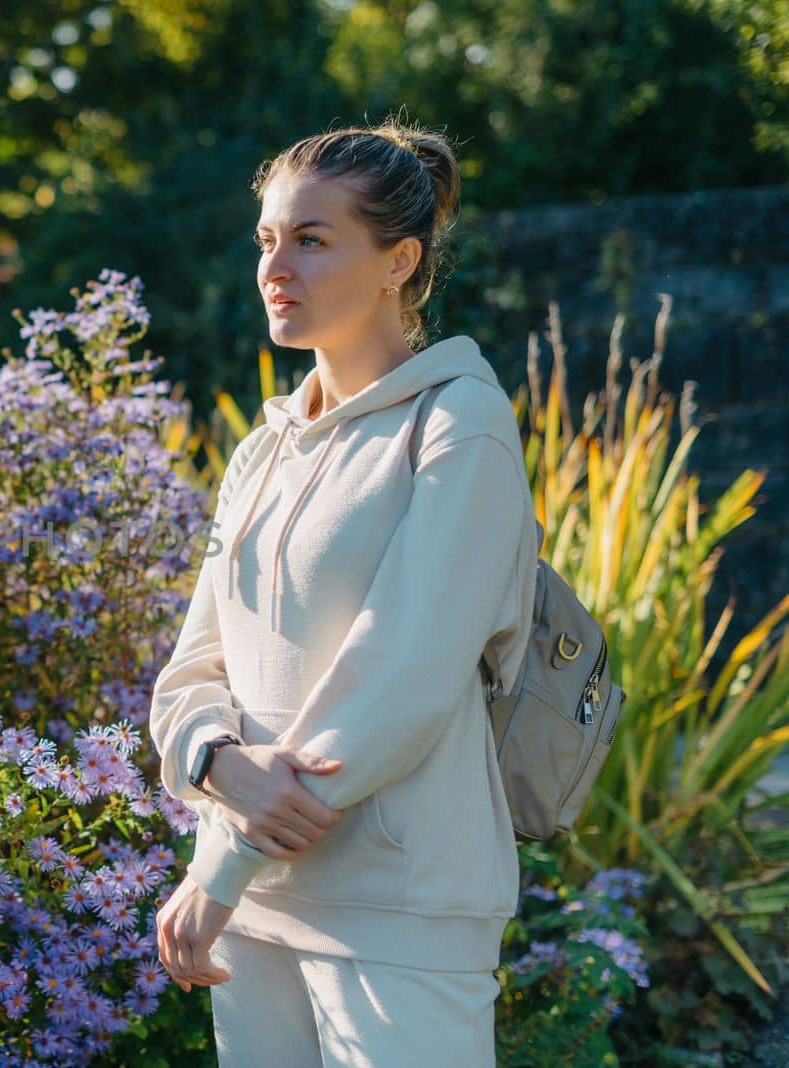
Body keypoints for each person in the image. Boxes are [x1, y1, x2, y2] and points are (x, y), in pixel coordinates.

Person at [148, 116, 538, 1067]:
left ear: (399, 260)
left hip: (397, 910)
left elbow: (400, 673)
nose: (275, 267)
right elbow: (193, 666)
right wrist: (212, 763)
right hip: (250, 906)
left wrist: (230, 860)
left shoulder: (461, 423)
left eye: (313, 241)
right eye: (268, 241)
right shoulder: (263, 450)